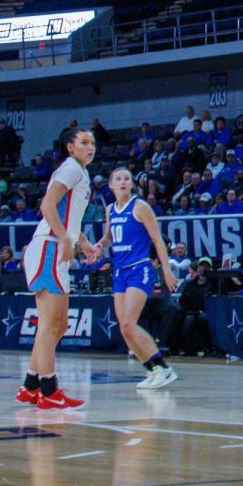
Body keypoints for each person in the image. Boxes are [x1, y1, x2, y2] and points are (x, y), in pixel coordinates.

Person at [15, 127, 100, 409]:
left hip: (55, 246)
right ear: (70, 147)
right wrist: (65, 239)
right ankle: (48, 391)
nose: (91, 147)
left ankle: (30, 386)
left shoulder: (79, 172)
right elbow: (47, 206)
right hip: (50, 246)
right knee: (50, 325)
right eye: (84, 142)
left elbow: (69, 216)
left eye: (93, 143)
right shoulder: (72, 168)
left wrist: (82, 241)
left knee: (59, 325)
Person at [95, 167, 179, 390]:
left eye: (126, 179)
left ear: (131, 184)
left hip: (139, 268)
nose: (123, 182)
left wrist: (167, 270)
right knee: (124, 328)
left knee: (130, 323)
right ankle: (151, 369)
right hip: (120, 270)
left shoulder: (140, 207)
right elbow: (109, 238)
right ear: (111, 185)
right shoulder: (111, 209)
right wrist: (98, 246)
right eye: (118, 179)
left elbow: (157, 240)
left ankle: (163, 368)